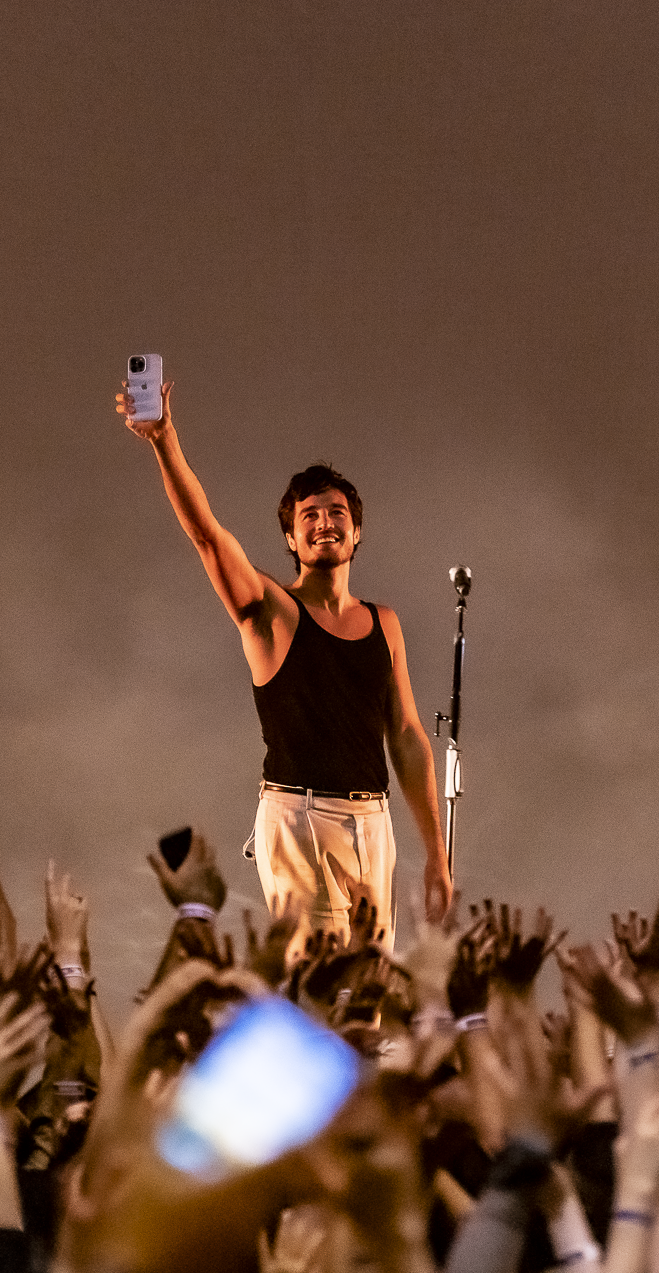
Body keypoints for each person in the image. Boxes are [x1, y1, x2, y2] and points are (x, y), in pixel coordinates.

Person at [117, 372, 455, 942]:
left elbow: (407, 736)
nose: (325, 522)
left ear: (357, 532)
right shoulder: (272, 611)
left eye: (337, 512)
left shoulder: (384, 624)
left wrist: (436, 857)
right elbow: (207, 535)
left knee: (370, 997)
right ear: (292, 541)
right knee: (318, 987)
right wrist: (164, 441)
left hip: (373, 822)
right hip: (300, 818)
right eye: (310, 516)